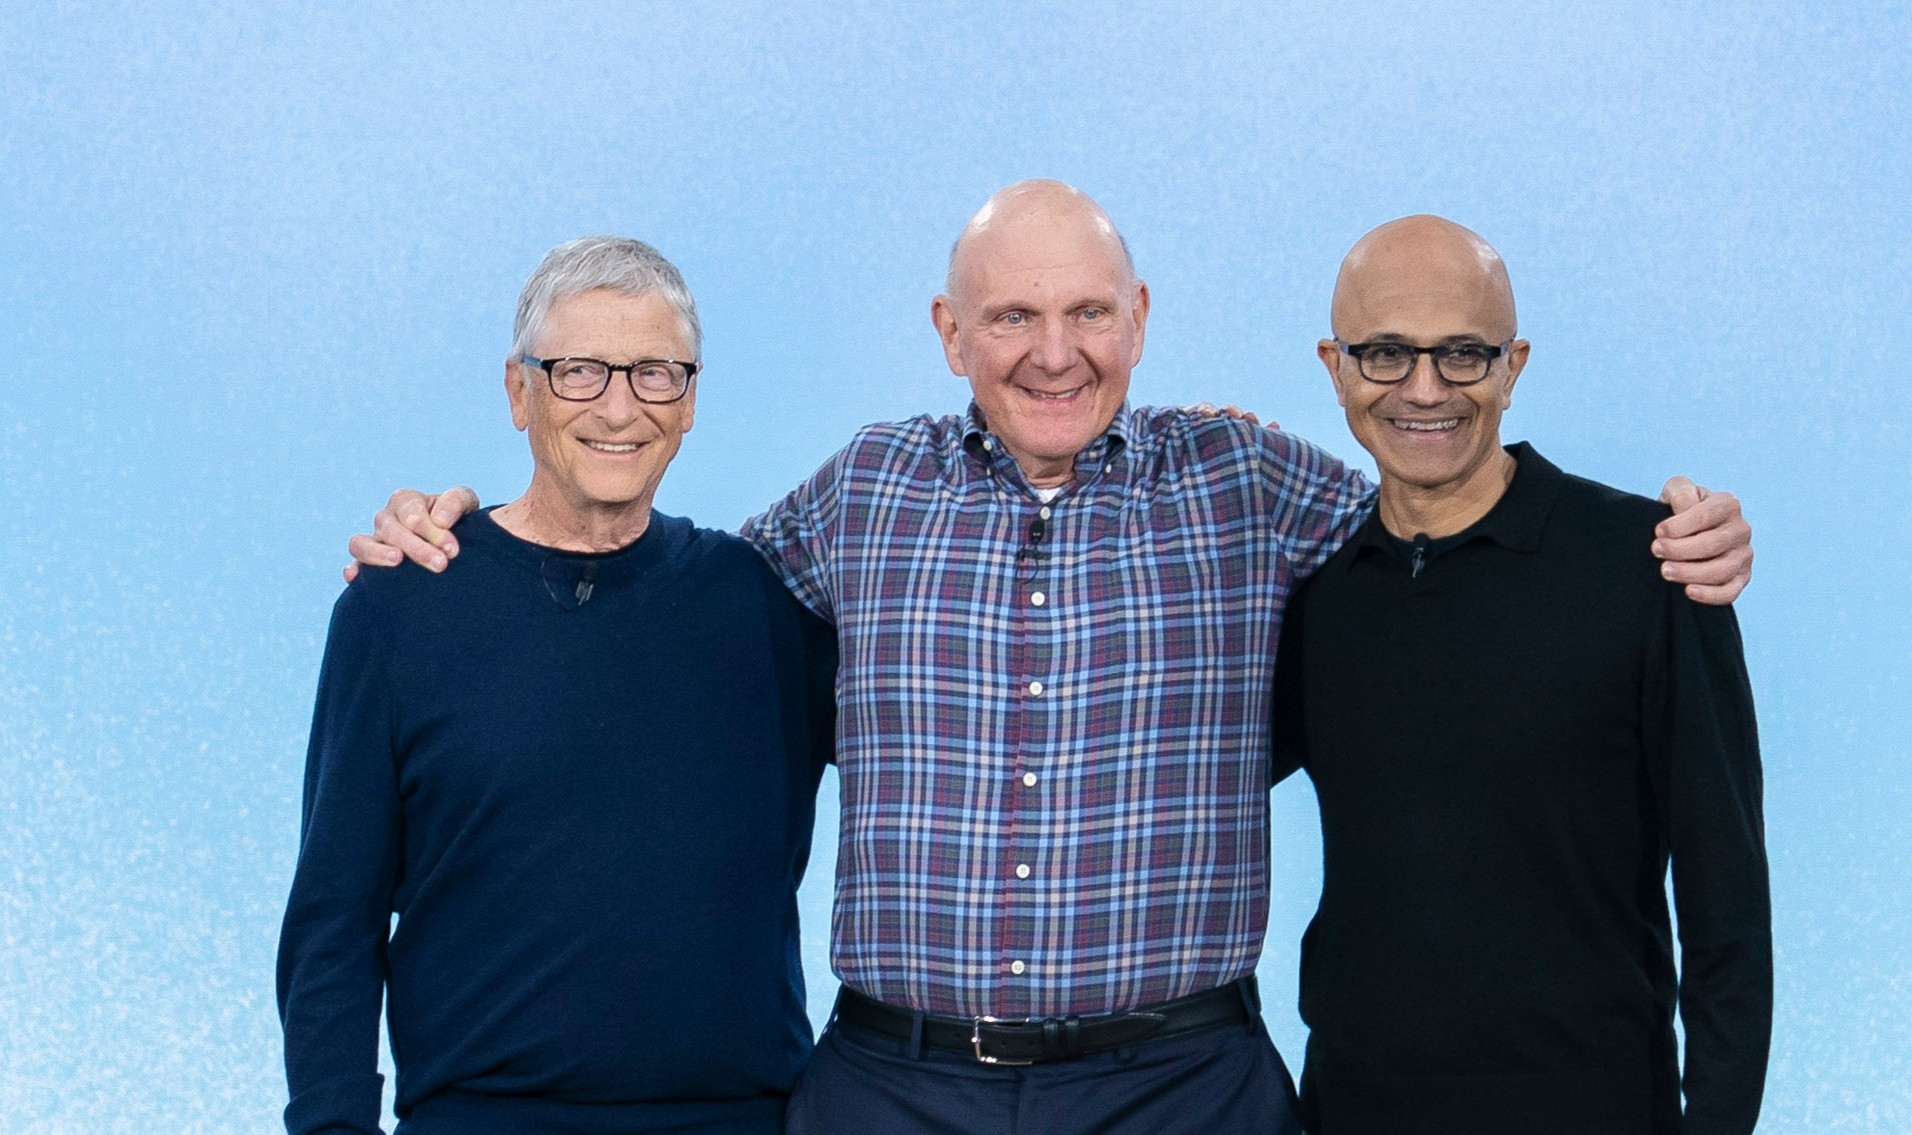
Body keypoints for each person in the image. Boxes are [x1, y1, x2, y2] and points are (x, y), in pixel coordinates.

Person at [347, 181, 1755, 1135]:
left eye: (1087, 313)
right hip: (894, 1084)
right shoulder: (865, 491)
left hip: (1181, 1084)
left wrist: (1668, 535)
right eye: (1010, 316)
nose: (1054, 350)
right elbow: (659, 582)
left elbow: (1447, 509)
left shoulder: (1250, 480)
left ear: (1137, 318)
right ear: (949, 333)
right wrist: (471, 529)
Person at [277, 237, 836, 1135]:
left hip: (739, 1119)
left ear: (689, 401)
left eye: (654, 373)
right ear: (518, 391)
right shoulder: (402, 608)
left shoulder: (766, 608)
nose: (619, 406)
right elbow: (331, 923)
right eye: (579, 371)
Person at [1274, 216, 1772, 1133]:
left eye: (1462, 353)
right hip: (1349, 1108)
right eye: (1384, 353)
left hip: (1595, 1109)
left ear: (1513, 365)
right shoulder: (1311, 590)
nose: (1424, 389)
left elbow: (1726, 907)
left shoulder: (1646, 567)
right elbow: (1172, 765)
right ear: (1333, 366)